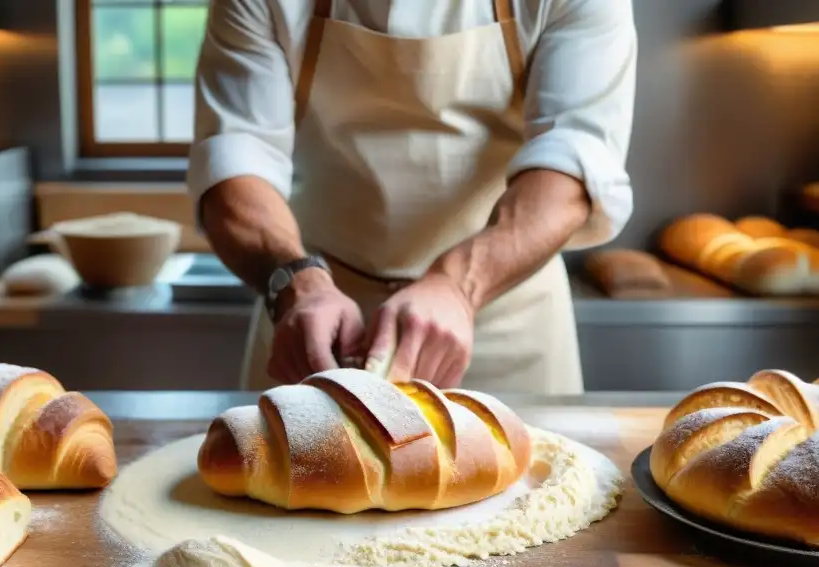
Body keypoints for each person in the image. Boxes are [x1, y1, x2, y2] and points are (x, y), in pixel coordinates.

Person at [189, 0, 636, 394]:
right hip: (313, 319)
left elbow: (573, 159)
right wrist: (297, 285)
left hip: (505, 317)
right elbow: (237, 156)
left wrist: (459, 286)